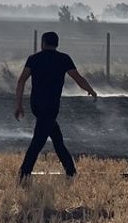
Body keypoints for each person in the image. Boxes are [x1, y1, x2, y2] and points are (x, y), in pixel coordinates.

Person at [14, 31, 97, 181]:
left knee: (56, 139)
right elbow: (78, 78)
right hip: (52, 105)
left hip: (37, 104)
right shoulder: (64, 59)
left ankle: (70, 172)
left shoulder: (34, 59)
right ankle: (24, 173)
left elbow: (21, 81)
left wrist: (19, 104)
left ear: (43, 43)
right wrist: (90, 90)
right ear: (57, 43)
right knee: (39, 141)